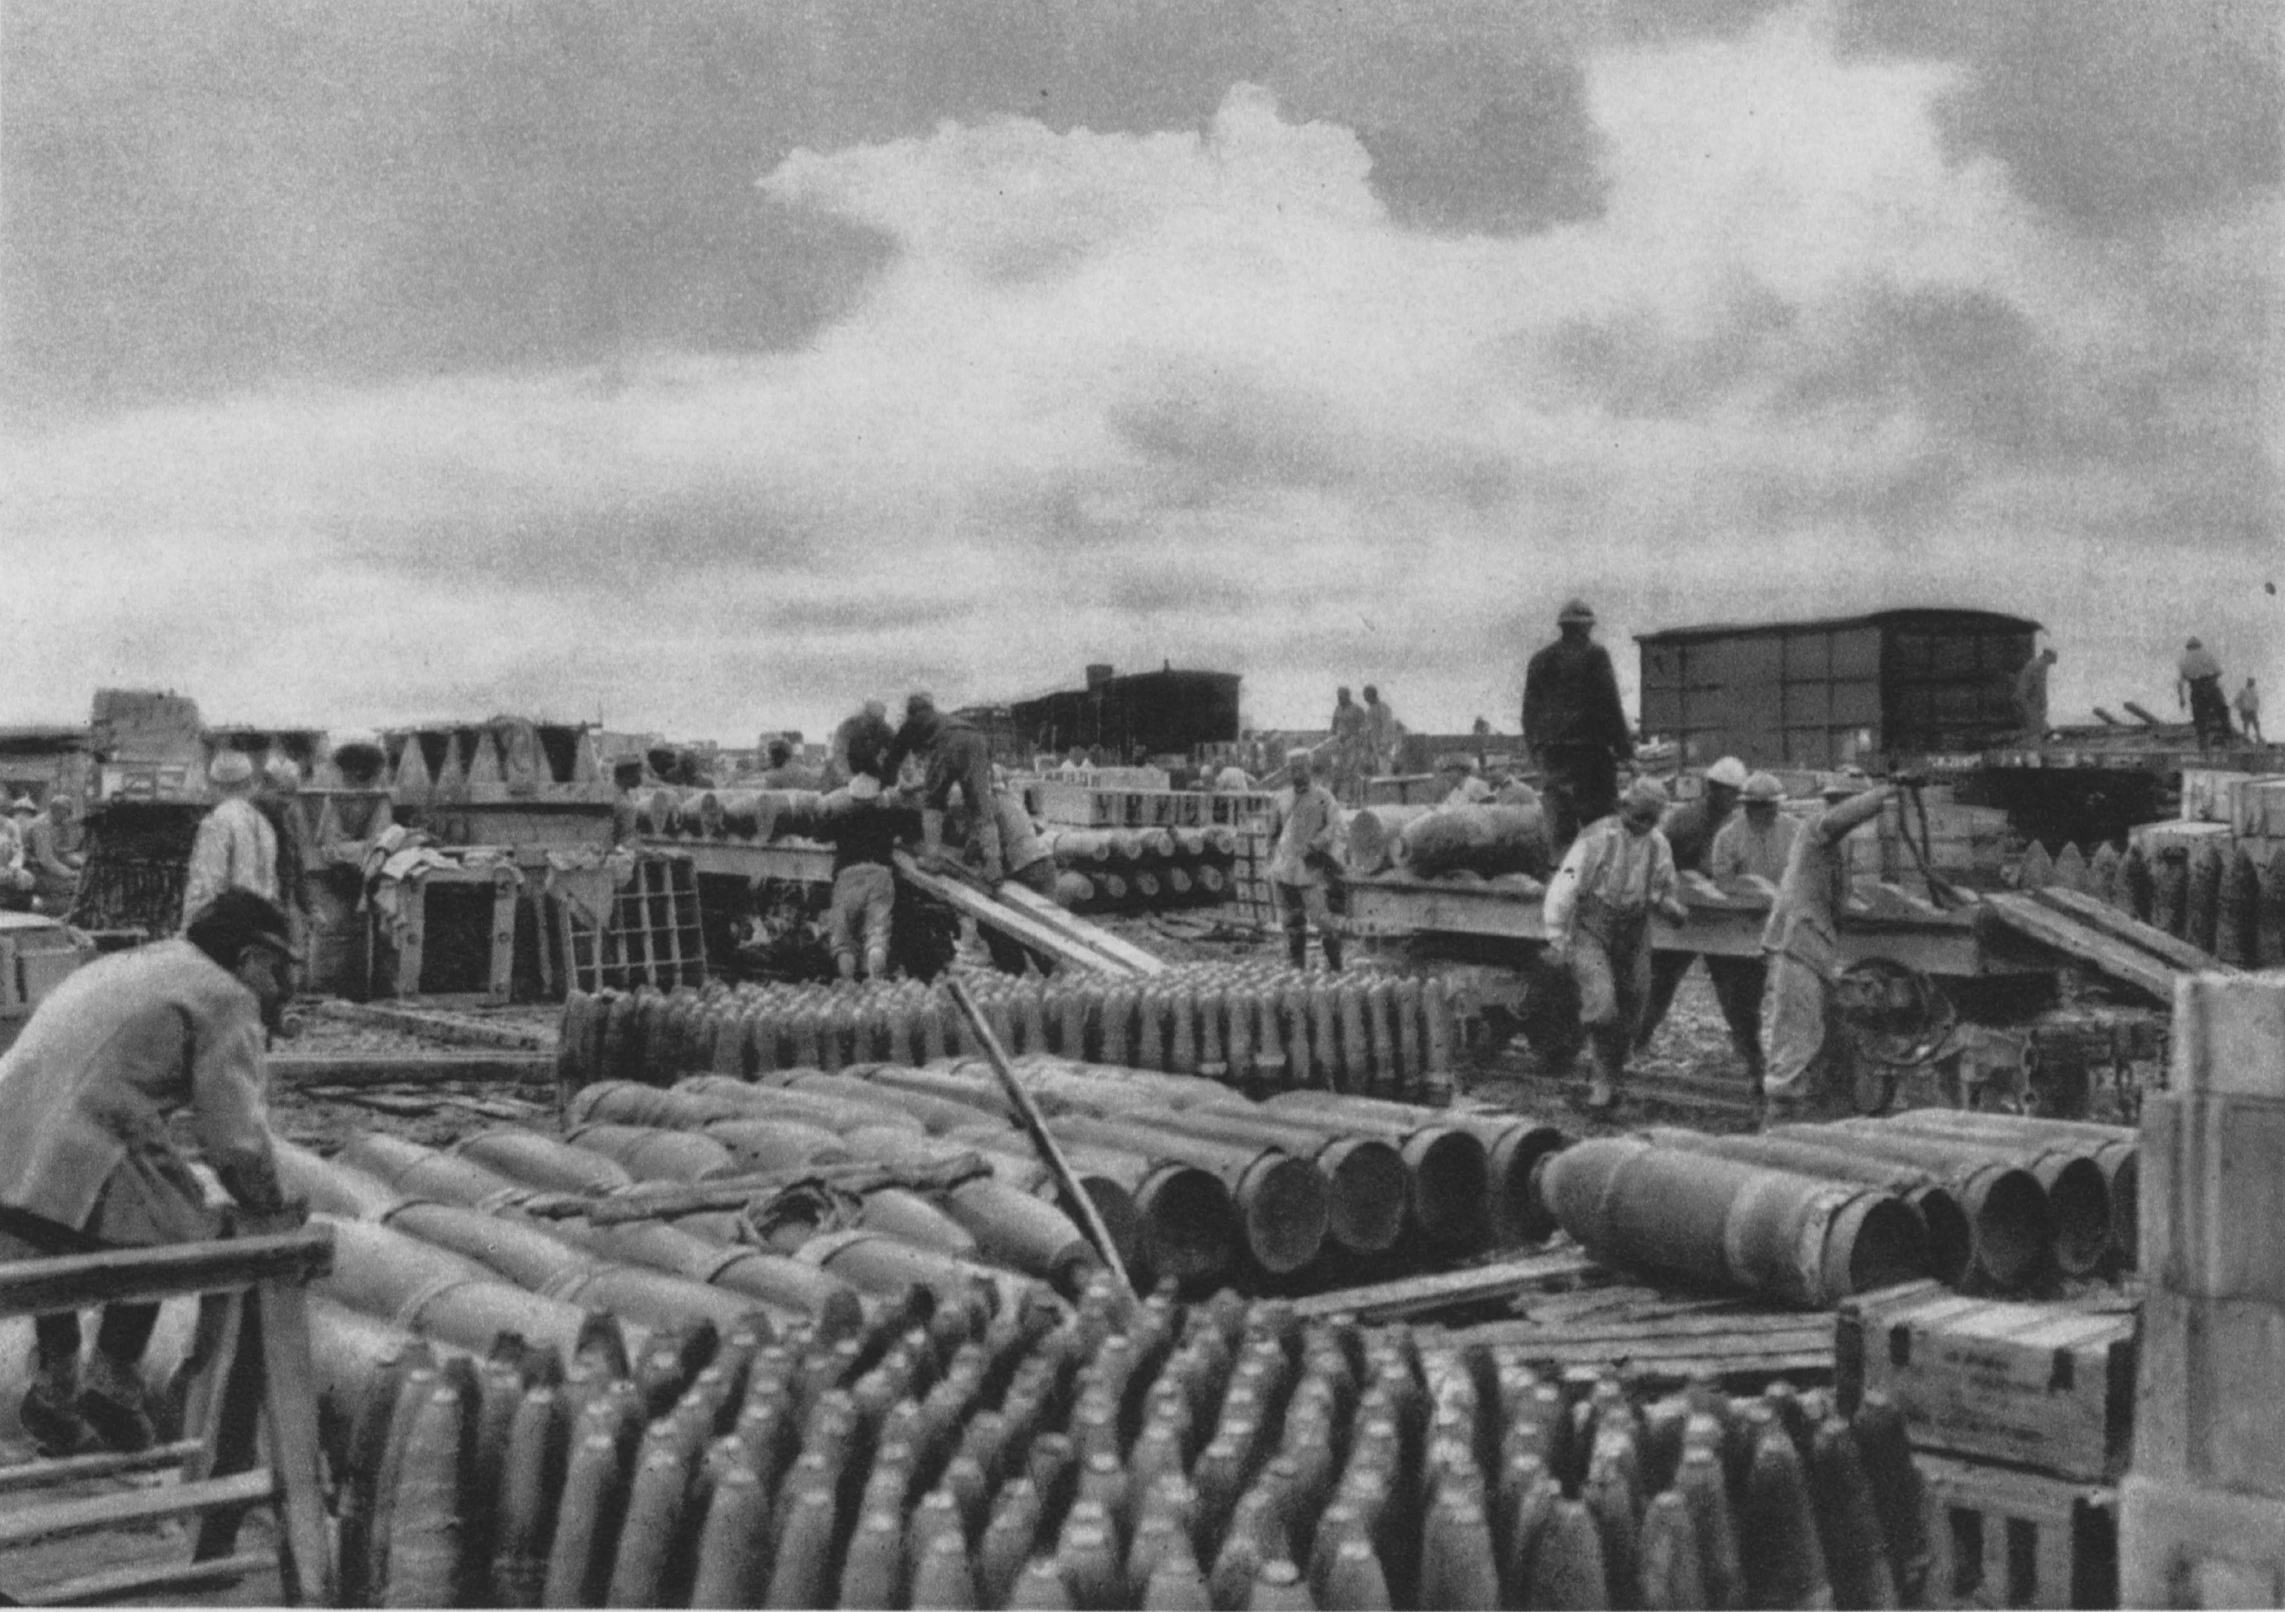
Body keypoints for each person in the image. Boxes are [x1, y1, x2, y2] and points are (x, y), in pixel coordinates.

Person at [0, 889, 298, 1455]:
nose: (282, 989)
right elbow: (235, 1143)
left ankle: (56, 1391)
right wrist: (270, 1206)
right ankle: (112, 1385)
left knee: (54, 1233)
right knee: (175, 1214)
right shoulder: (226, 997)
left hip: (6, 1140)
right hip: (72, 1143)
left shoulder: (134, 961)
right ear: (251, 960)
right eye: (279, 971)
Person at [1543, 776, 1688, 1113]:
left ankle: (1612, 1074)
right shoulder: (1595, 839)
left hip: (1633, 930)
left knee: (1634, 1009)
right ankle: (1601, 1080)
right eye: (1638, 817)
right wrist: (1557, 936)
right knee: (1602, 1004)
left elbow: (1663, 887)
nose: (1642, 826)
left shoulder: (1658, 845)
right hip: (1592, 928)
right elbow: (1564, 887)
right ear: (1624, 807)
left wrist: (1670, 905)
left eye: (1650, 820)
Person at [1760, 779, 1894, 1125]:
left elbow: (1839, 904)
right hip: (1798, 943)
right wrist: (1884, 793)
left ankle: (1824, 1112)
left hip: (1817, 949)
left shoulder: (1836, 853)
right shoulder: (1815, 831)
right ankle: (1780, 1119)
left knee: (1828, 1034)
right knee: (1797, 1036)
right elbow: (1838, 820)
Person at [1634, 758, 1747, 1053]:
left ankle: (1747, 1053)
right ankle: (1637, 1041)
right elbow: (1661, 865)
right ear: (1715, 789)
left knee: (1732, 987)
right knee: (1661, 983)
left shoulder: (1732, 820)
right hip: (1681, 911)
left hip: (1716, 913)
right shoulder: (1686, 820)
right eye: (1731, 793)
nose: (1735, 800)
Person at [1523, 598, 1635, 858]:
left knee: (1561, 833)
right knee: (1602, 828)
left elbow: (1529, 714)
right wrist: (1626, 752)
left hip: (1554, 759)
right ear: (1587, 627)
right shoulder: (1595, 655)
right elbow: (1610, 705)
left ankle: (1562, 883)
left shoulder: (1540, 660)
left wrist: (1535, 751)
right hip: (1591, 757)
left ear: (1562, 626)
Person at [884, 694, 1004, 883]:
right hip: (977, 738)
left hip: (948, 741)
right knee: (980, 805)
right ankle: (993, 866)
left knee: (933, 802)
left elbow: (893, 758)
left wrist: (886, 782)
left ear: (910, 711)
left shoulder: (913, 722)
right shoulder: (941, 717)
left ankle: (932, 860)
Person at [814, 772, 903, 981]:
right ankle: (876, 985)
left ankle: (849, 989)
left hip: (848, 875)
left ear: (852, 797)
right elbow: (907, 832)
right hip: (880, 875)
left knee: (843, 938)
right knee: (877, 934)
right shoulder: (888, 816)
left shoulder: (842, 817)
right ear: (876, 796)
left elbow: (818, 834)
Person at [1267, 747, 1344, 972]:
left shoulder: (1323, 798)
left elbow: (1336, 827)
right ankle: (1297, 969)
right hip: (1284, 871)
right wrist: (1271, 862)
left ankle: (1336, 967)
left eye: (1301, 768)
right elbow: (1272, 834)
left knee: (1324, 923)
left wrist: (1316, 844)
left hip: (1311, 872)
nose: (1297, 773)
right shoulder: (1280, 799)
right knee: (1292, 923)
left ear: (1310, 768)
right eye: (1292, 769)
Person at [181, 751, 279, 923]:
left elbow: (206, 886)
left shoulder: (218, 821)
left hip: (227, 928)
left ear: (215, 784)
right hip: (259, 925)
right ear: (248, 783)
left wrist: (187, 927)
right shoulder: (264, 824)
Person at [255, 757, 314, 961]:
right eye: (282, 794)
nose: (287, 801)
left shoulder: (286, 816)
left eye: (292, 795)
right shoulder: (250, 818)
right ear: (265, 786)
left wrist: (308, 906)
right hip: (258, 908)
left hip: (281, 905)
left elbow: (296, 862)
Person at [19, 793, 84, 917]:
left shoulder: (54, 827)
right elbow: (47, 861)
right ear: (60, 811)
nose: (67, 818)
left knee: (77, 884)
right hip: (31, 872)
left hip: (41, 870)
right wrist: (71, 874)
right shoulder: (41, 826)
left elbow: (61, 855)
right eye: (67, 814)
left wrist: (84, 863)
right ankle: (43, 909)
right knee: (77, 888)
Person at [2178, 637, 2232, 751]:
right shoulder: (2208, 655)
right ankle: (2229, 739)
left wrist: (2182, 699)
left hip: (2196, 689)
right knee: (2222, 712)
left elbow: (2181, 682)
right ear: (2199, 645)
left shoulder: (2184, 659)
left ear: (2188, 647)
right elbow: (2219, 671)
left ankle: (2203, 745)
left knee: (2200, 718)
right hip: (2211, 686)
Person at [1329, 687, 1367, 803]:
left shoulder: (1357, 709)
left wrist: (1357, 738)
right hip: (1341, 746)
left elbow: (1365, 726)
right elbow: (1333, 727)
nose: (1340, 699)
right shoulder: (1337, 709)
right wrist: (1333, 737)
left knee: (1353, 772)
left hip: (1353, 745)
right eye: (1339, 697)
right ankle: (1332, 798)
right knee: (1336, 771)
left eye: (1342, 696)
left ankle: (1354, 799)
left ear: (1348, 696)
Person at [2, 797, 39, 910]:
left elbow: (18, 849)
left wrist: (15, 866)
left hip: (8, 866)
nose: (22, 815)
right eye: (20, 811)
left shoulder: (11, 825)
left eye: (26, 812)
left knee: (25, 878)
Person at [2014, 647, 2057, 746]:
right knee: (2035, 722)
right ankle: (2036, 743)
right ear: (2048, 656)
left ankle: (2044, 734)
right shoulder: (2041, 665)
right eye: (2052, 660)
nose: (2051, 664)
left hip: (2024, 695)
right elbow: (2040, 686)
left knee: (2036, 719)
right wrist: (2044, 703)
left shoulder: (2035, 662)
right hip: (2026, 696)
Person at [1362, 685, 1401, 778]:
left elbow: (1388, 727)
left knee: (1386, 771)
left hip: (1384, 747)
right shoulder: (1369, 711)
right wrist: (1367, 745)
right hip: (1374, 747)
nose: (1366, 698)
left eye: (1368, 695)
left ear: (1373, 695)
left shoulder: (1383, 708)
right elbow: (1368, 730)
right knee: (1376, 773)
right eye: (1365, 696)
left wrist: (1384, 744)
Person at [2237, 677, 2264, 745]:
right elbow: (2239, 700)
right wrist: (2241, 707)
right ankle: (2248, 735)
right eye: (2251, 682)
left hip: (2251, 710)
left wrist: (2257, 707)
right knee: (2248, 722)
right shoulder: (2243, 690)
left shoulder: (2254, 691)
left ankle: (2257, 735)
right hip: (2246, 710)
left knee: (2253, 722)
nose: (2253, 683)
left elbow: (2257, 701)